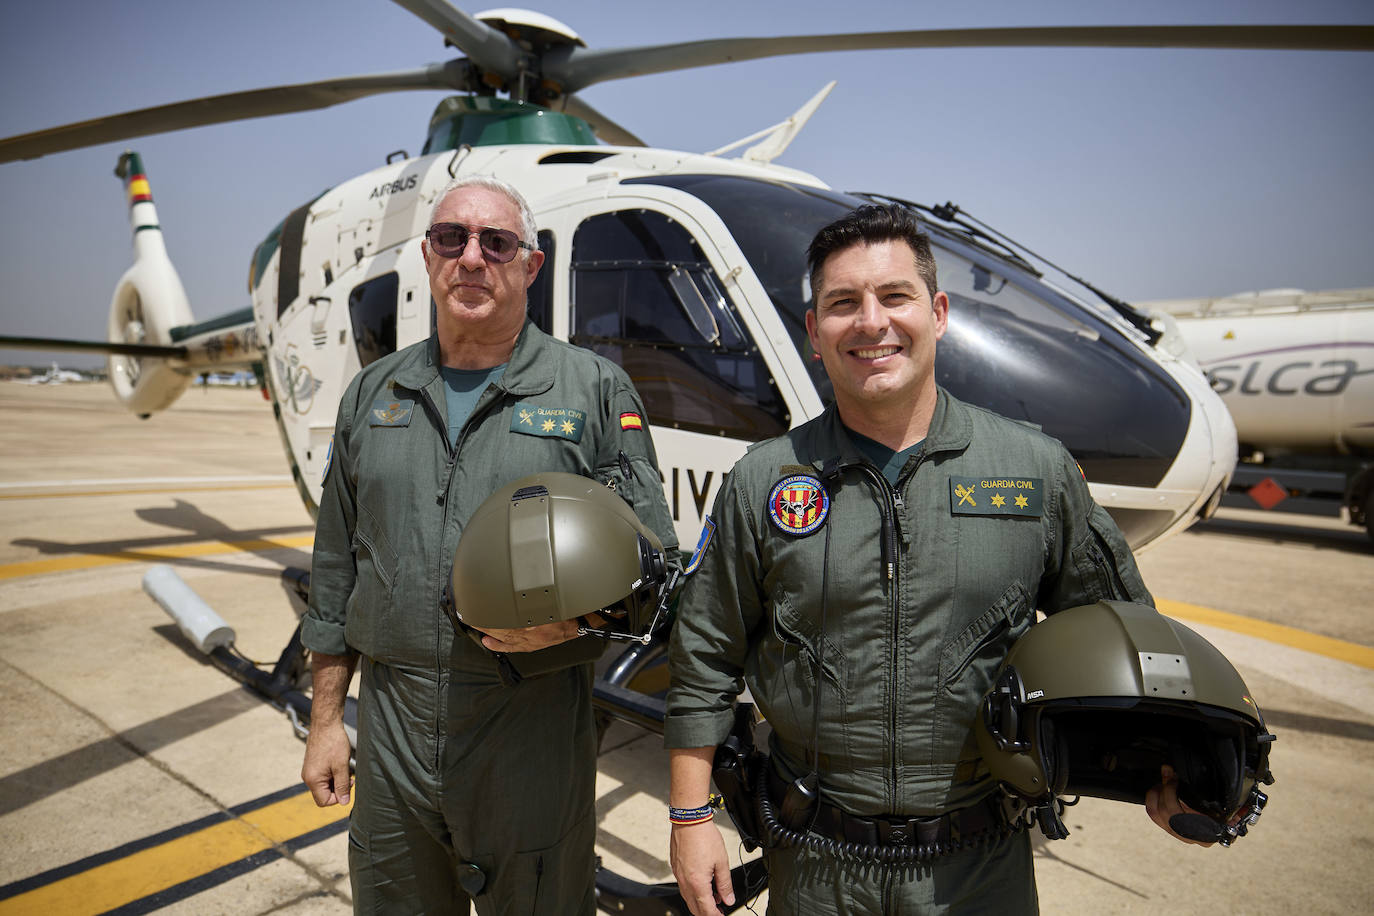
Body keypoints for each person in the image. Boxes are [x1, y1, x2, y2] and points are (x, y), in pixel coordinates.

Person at [664, 204, 1201, 915]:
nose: (871, 322)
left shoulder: (1033, 469)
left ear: (938, 313)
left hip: (977, 867)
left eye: (895, 296)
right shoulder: (763, 481)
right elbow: (704, 655)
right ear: (815, 335)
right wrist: (689, 818)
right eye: (842, 304)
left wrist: (1173, 771)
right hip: (816, 867)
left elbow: (1121, 632)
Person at [300, 175, 678, 914]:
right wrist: (324, 725)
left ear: (529, 267)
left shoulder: (593, 391)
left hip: (529, 730)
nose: (472, 258)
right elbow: (335, 565)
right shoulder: (374, 394)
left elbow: (654, 567)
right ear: (428, 255)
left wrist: (574, 626)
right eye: (453, 239)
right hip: (394, 728)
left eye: (496, 243)